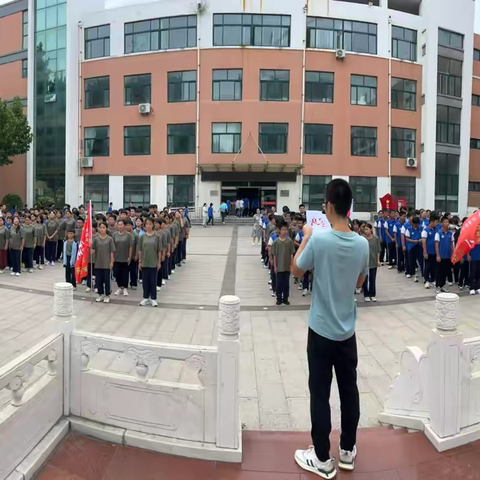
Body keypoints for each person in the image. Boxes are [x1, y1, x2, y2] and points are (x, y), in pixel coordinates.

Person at [292, 179, 369, 479]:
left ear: (328, 206)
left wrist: (306, 237)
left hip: (321, 331)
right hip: (347, 333)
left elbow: (297, 269)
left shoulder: (320, 239)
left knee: (319, 393)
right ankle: (347, 450)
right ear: (349, 207)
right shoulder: (362, 243)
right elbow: (360, 283)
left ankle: (322, 459)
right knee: (349, 392)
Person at [138, 217, 162, 307]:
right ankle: (145, 297)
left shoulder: (157, 236)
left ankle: (153, 298)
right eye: (146, 224)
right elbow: (140, 250)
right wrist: (140, 261)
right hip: (144, 262)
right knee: (145, 281)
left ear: (153, 225)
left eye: (150, 224)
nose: (148, 226)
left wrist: (159, 262)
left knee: (153, 281)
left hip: (153, 262)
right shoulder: (142, 237)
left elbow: (159, 250)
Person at [271, 221, 295, 305]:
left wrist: (291, 265)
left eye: (286, 229)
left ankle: (285, 298)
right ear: (279, 230)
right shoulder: (276, 242)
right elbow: (274, 255)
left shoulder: (289, 242)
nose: (284, 231)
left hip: (287, 266)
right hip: (279, 266)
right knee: (279, 283)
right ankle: (279, 298)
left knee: (286, 283)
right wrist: (275, 266)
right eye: (283, 229)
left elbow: (291, 254)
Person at [92, 222, 116, 303]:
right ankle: (100, 294)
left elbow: (112, 251)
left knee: (107, 280)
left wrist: (112, 262)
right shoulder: (96, 239)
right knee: (98, 280)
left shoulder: (110, 239)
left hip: (107, 263)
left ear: (106, 228)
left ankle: (107, 295)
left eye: (103, 227)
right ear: (98, 229)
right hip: (98, 263)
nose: (102, 229)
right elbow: (93, 250)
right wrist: (90, 249)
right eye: (100, 228)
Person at [113, 219, 133, 297]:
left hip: (125, 257)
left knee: (125, 273)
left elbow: (130, 246)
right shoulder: (114, 235)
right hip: (116, 257)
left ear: (124, 226)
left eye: (121, 225)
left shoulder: (128, 235)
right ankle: (119, 287)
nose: (120, 226)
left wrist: (129, 257)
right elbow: (113, 247)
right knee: (117, 273)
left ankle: (125, 288)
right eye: (119, 225)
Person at [435, 217, 455, 294]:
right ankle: (437, 286)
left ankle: (442, 286)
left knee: (446, 272)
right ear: (442, 223)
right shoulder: (438, 233)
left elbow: (452, 245)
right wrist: (438, 255)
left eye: (448, 222)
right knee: (439, 272)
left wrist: (453, 254)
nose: (447, 224)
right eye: (446, 222)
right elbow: (436, 245)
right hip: (441, 256)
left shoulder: (451, 234)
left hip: (448, 256)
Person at [362, 223, 381, 302]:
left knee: (372, 278)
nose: (366, 231)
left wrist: (378, 260)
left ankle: (372, 294)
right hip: (364, 261)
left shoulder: (376, 238)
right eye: (365, 229)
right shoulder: (362, 239)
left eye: (367, 229)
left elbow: (378, 250)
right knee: (365, 278)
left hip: (373, 260)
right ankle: (366, 294)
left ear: (371, 229)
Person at [421, 213, 439, 289]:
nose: (437, 224)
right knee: (427, 267)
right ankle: (426, 281)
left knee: (434, 267)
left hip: (435, 252)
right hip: (428, 252)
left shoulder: (437, 230)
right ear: (432, 222)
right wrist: (425, 252)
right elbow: (424, 242)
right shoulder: (425, 230)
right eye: (436, 222)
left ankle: (433, 280)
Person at [405, 217, 423, 282]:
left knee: (421, 260)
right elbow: (407, 238)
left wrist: (421, 240)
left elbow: (423, 236)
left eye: (417, 224)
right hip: (412, 246)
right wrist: (413, 241)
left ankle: (423, 273)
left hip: (419, 246)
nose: (416, 225)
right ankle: (411, 273)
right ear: (412, 223)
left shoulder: (421, 228)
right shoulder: (409, 229)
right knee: (411, 261)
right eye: (415, 224)